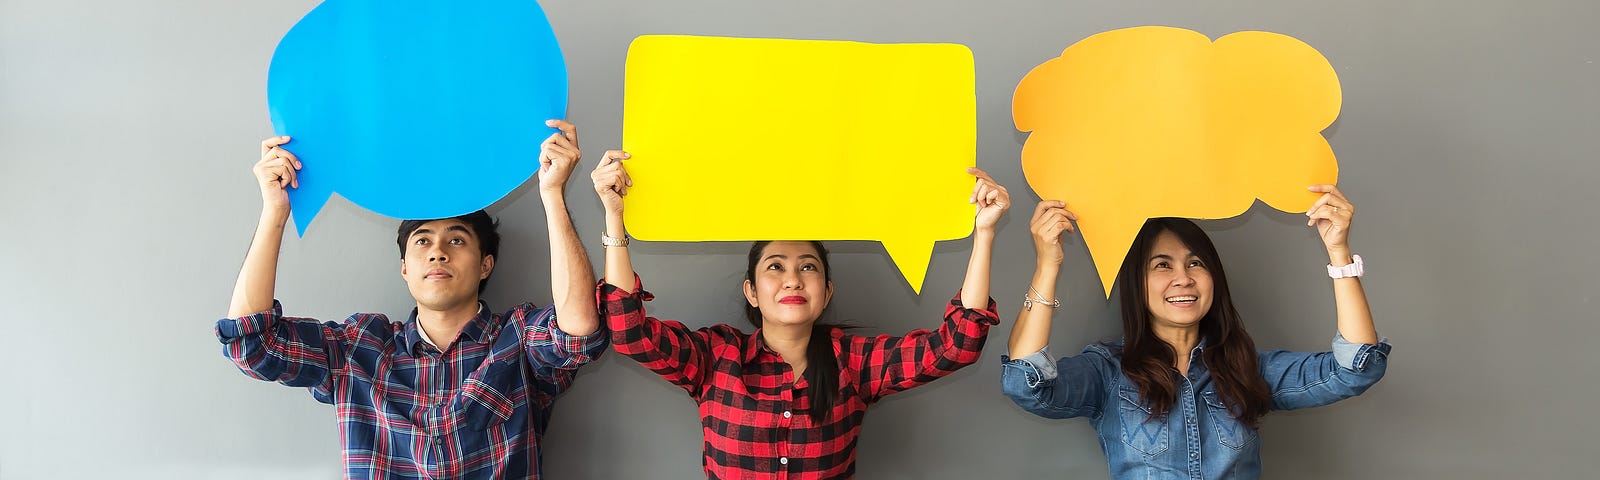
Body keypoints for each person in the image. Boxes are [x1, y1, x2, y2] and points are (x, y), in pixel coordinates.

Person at [215, 120, 606, 479]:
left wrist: (553, 194)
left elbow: (579, 332)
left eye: (456, 239)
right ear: (405, 267)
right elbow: (252, 345)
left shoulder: (517, 339)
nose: (438, 252)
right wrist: (275, 210)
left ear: (486, 265)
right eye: (423, 241)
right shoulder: (359, 347)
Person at [589, 148, 1010, 479]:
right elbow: (630, 332)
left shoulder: (855, 362)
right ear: (751, 293)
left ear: (826, 293)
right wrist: (615, 216)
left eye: (807, 267)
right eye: (775, 267)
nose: (792, 279)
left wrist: (985, 233)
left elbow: (957, 346)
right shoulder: (716, 356)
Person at [1000, 187, 1390, 479]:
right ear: (1138, 283)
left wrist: (1339, 253)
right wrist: (1048, 266)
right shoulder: (1108, 371)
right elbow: (1026, 383)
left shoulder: (1248, 368)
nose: (1183, 279)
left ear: (1213, 279)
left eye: (1195, 263)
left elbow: (1355, 369)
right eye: (1163, 265)